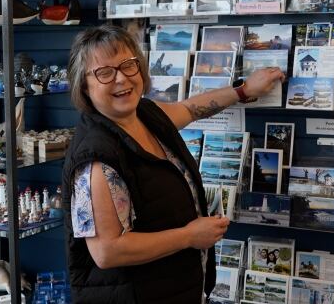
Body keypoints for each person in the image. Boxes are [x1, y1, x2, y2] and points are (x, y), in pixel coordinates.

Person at [62, 25, 284, 303]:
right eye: (105, 72)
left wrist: (244, 90)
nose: (121, 79)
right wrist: (189, 236)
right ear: (84, 85)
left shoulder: (144, 115)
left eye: (128, 65)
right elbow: (107, 251)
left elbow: (190, 109)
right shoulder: (96, 160)